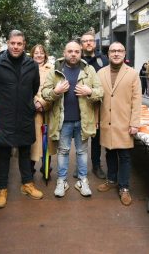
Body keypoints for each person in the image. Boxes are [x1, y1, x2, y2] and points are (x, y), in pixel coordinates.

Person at [0, 30, 43, 208]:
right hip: (5, 117)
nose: (16, 46)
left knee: (25, 150)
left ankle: (27, 184)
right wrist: (2, 105)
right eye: (13, 43)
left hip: (25, 115)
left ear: (24, 45)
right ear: (7, 43)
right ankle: (2, 189)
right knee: (4, 153)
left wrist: (25, 105)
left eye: (19, 44)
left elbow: (34, 87)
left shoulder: (31, 65)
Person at [42, 40, 103, 198]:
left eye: (76, 51)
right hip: (63, 121)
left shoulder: (89, 70)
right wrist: (56, 91)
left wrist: (89, 91)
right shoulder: (55, 70)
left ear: (81, 53)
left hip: (83, 120)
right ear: (64, 52)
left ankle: (82, 180)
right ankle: (62, 181)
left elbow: (100, 91)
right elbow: (44, 93)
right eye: (70, 51)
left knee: (82, 152)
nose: (73, 54)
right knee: (63, 152)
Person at [97, 42, 141, 206]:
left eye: (119, 51)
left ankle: (124, 187)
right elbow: (96, 99)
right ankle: (111, 180)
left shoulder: (133, 74)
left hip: (124, 121)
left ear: (124, 54)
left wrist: (135, 122)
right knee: (109, 152)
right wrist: (96, 119)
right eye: (113, 51)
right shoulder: (100, 73)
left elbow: (137, 100)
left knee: (124, 156)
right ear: (108, 54)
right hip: (106, 121)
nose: (116, 53)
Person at [80, 31, 109, 179]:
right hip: (82, 105)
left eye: (91, 40)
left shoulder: (104, 60)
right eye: (85, 41)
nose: (88, 43)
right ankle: (81, 165)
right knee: (81, 137)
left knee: (97, 138)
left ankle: (96, 166)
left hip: (100, 105)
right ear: (81, 44)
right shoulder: (76, 60)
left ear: (95, 43)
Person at [30, 44, 55, 175]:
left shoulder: (52, 69)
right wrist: (35, 102)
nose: (39, 55)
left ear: (45, 55)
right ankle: (30, 169)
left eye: (41, 53)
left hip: (47, 110)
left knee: (47, 140)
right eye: (36, 53)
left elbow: (54, 89)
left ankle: (46, 168)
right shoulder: (26, 68)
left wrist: (42, 103)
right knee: (32, 141)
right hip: (32, 111)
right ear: (32, 54)